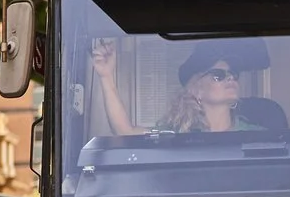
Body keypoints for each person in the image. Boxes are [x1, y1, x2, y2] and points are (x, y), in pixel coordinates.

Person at [87, 38, 264, 136]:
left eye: (234, 74)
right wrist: (106, 75)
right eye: (219, 75)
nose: (231, 79)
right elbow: (125, 131)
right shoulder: (177, 135)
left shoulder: (257, 135)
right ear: (196, 90)